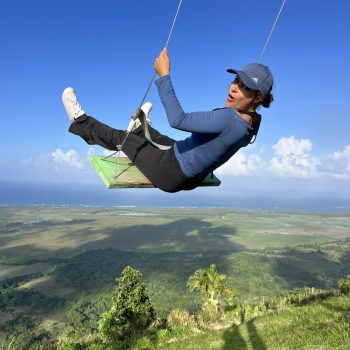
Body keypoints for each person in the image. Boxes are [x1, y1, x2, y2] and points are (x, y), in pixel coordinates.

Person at [63, 48, 274, 193]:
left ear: (258, 97)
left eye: (245, 86)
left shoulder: (228, 118)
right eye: (236, 81)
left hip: (170, 172)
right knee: (162, 139)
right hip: (191, 175)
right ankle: (141, 126)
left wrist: (164, 76)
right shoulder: (253, 123)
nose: (234, 87)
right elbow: (216, 144)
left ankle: (80, 121)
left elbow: (178, 120)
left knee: (122, 137)